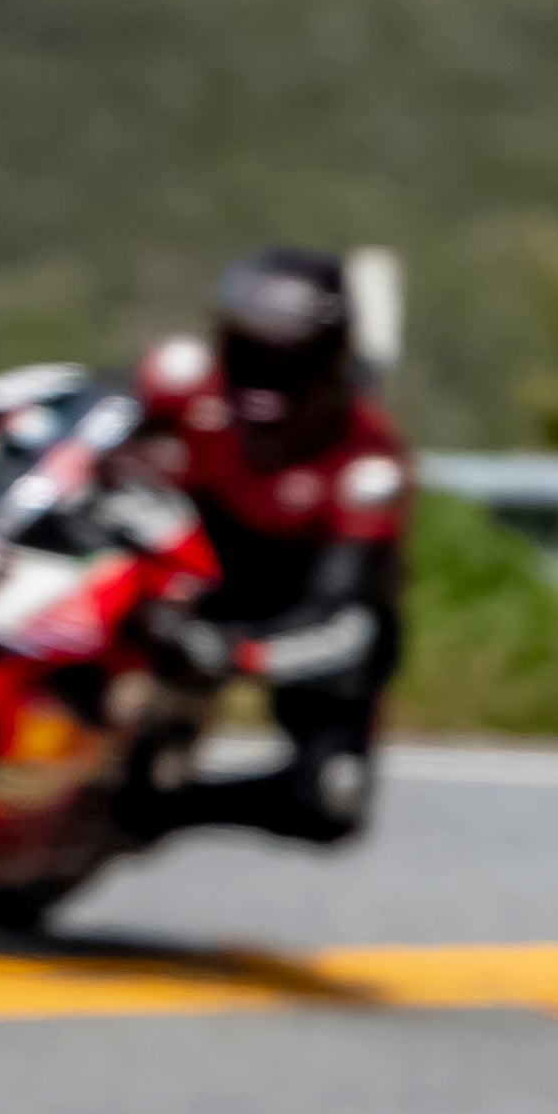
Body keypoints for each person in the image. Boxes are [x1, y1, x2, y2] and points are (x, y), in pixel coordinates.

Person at [125, 246, 409, 846]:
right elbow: (68, 429)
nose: (263, 388)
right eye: (248, 357)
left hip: (279, 611)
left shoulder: (365, 467)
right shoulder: (177, 382)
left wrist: (241, 653)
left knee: (332, 798)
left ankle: (160, 810)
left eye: (289, 368)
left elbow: (346, 624)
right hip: (167, 577)